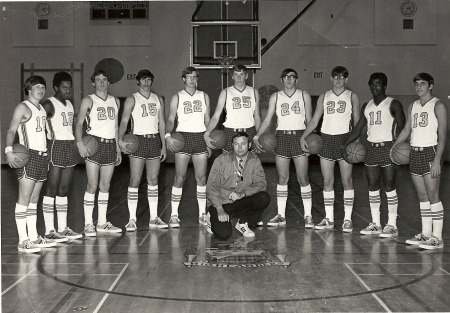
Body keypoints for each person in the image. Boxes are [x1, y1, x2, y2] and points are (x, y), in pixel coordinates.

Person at [340, 73, 405, 236]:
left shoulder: (394, 104)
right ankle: (376, 223)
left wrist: (398, 152)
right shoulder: (366, 106)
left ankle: (392, 224)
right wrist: (345, 144)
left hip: (389, 148)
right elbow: (357, 130)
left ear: (385, 85)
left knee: (389, 187)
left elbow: (403, 130)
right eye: (372, 84)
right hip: (371, 149)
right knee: (372, 187)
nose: (375, 87)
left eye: (378, 84)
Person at [300, 66, 360, 231]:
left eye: (342, 77)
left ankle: (347, 219)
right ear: (331, 78)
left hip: (345, 140)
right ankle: (329, 218)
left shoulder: (352, 96)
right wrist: (303, 136)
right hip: (326, 139)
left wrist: (355, 141)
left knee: (347, 180)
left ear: (346, 79)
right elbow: (314, 120)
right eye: (335, 77)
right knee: (327, 181)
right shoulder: (323, 96)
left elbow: (356, 123)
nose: (338, 80)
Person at [392, 73, 447, 249]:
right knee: (422, 196)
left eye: (423, 83)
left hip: (430, 152)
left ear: (431, 85)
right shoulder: (413, 105)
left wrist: (437, 159)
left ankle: (437, 237)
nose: (419, 86)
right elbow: (407, 129)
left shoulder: (438, 105)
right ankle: (425, 234)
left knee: (433, 196)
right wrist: (395, 146)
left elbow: (443, 136)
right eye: (416, 83)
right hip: (414, 153)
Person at [253, 68, 313, 227]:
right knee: (282, 178)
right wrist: (257, 136)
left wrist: (307, 138)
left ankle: (308, 216)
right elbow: (267, 120)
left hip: (300, 136)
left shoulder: (304, 95)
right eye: (286, 77)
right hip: (281, 137)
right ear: (281, 80)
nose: (289, 79)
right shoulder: (275, 96)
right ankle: (281, 215)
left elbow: (310, 120)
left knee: (303, 178)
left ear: (296, 80)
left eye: (292, 77)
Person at [5, 75, 57, 252]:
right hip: (29, 156)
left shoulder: (42, 109)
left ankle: (34, 237)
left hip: (42, 157)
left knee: (34, 200)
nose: (41, 89)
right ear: (28, 89)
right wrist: (8, 150)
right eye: (37, 87)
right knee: (24, 199)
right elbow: (11, 129)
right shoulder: (23, 107)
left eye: (43, 86)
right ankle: (22, 240)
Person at [118, 69, 167, 231]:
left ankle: (154, 218)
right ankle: (132, 219)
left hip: (154, 141)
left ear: (152, 81)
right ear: (138, 81)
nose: (146, 83)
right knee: (135, 180)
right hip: (137, 140)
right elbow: (124, 121)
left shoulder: (158, 99)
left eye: (149, 80)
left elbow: (162, 123)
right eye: (143, 80)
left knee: (153, 180)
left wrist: (164, 145)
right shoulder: (132, 99)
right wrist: (120, 139)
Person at [75, 70, 122, 236]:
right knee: (92, 185)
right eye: (98, 80)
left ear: (109, 82)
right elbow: (79, 123)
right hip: (93, 144)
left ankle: (102, 222)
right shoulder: (88, 100)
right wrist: (80, 143)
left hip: (110, 145)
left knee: (105, 185)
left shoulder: (115, 101)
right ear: (93, 82)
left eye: (105, 79)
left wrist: (118, 148)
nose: (102, 82)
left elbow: (116, 127)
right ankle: (89, 224)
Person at [165, 66, 211, 228]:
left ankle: (202, 214)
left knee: (201, 178)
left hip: (200, 137)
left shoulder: (204, 96)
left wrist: (208, 138)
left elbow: (207, 120)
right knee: (179, 177)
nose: (192, 79)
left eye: (195, 76)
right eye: (189, 77)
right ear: (183, 79)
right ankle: (174, 215)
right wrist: (167, 135)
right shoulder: (177, 97)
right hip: (182, 137)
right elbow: (170, 119)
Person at [41, 72, 83, 242]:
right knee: (52, 189)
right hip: (56, 145)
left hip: (69, 146)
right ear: (56, 87)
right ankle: (49, 230)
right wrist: (44, 146)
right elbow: (37, 124)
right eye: (64, 87)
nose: (68, 90)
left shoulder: (70, 105)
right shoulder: (49, 104)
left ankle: (62, 228)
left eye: (70, 88)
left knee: (64, 190)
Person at [206, 132, 271, 239]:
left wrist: (243, 194)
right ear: (232, 145)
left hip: (240, 200)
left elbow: (261, 184)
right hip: (221, 203)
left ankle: (242, 223)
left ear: (249, 145)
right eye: (236, 144)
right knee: (224, 234)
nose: (239, 147)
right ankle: (210, 217)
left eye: (243, 144)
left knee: (264, 197)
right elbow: (211, 187)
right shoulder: (221, 160)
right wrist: (219, 209)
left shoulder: (254, 160)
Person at [204, 64, 261, 153]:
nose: (238, 78)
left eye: (241, 74)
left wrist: (258, 135)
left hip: (249, 131)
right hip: (230, 131)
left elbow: (257, 117)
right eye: (236, 75)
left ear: (246, 76)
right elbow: (216, 116)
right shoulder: (225, 92)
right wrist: (207, 133)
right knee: (229, 164)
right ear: (232, 76)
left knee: (249, 165)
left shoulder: (254, 91)